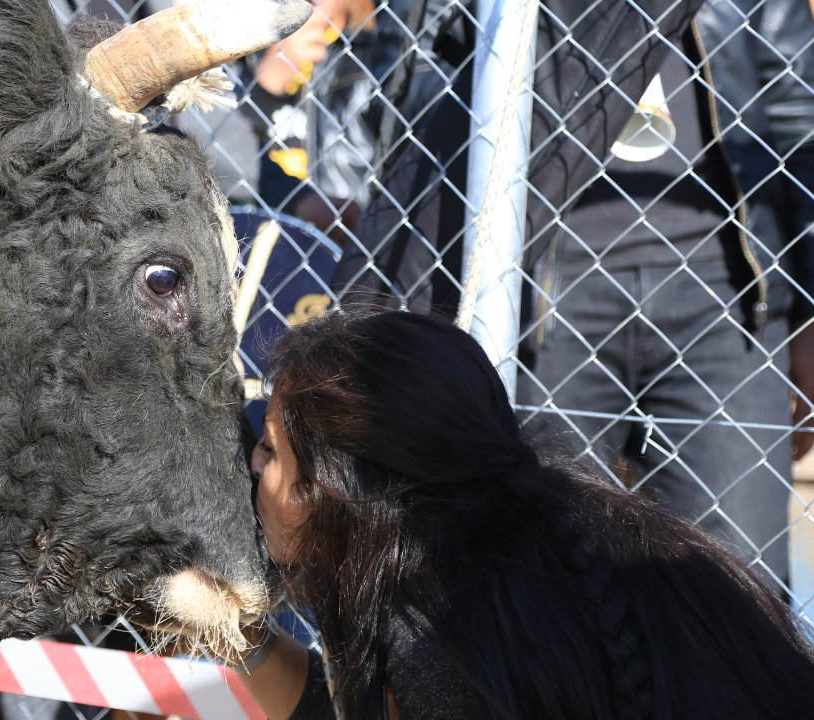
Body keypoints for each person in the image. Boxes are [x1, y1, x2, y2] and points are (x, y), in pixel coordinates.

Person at [324, 0, 814, 586]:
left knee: (743, 588)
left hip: (727, 295)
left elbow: (797, 112)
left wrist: (809, 308)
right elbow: (405, 80)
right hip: (542, 297)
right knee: (551, 579)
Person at [231, 308, 814, 719]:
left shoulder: (441, 644)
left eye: (271, 449)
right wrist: (238, 636)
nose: (255, 466)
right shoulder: (554, 543)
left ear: (330, 489)